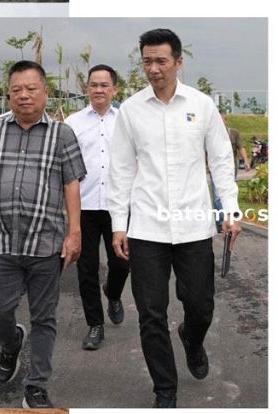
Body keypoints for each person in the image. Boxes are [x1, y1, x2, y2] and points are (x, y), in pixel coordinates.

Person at [107, 28, 242, 408]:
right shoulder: (131, 110)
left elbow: (220, 162)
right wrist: (120, 224)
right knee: (150, 314)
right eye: (147, 61)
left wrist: (230, 211)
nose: (153, 68)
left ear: (178, 62)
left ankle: (192, 338)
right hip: (147, 228)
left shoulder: (201, 105)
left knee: (200, 306)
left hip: (194, 226)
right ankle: (164, 390)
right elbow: (120, 171)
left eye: (161, 60)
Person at [0, 60, 86, 409]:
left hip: (46, 243)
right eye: (16, 90)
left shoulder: (62, 135)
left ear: (45, 92)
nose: (24, 96)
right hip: (3, 242)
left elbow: (71, 185)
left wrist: (75, 232)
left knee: (44, 318)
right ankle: (11, 343)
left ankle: (36, 386)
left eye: (31, 89)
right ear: (8, 94)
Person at [64, 64, 130, 351]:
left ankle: (113, 293)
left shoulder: (127, 121)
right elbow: (64, 166)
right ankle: (95, 324)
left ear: (115, 89)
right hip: (85, 206)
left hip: (120, 206)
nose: (99, 90)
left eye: (105, 85)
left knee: (122, 262)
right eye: (94, 85)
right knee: (87, 269)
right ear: (86, 88)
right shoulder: (73, 123)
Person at [211, 110, 250, 231]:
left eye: (221, 119)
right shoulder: (211, 134)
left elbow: (241, 148)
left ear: (225, 120)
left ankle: (227, 219)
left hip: (231, 168)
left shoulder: (233, 133)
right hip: (215, 168)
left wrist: (246, 161)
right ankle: (220, 220)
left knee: (228, 193)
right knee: (217, 195)